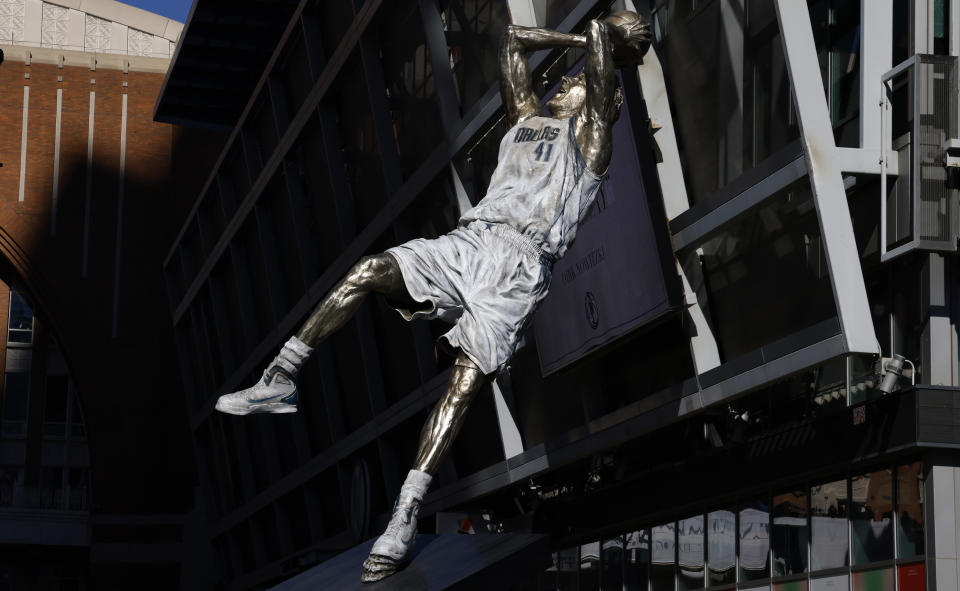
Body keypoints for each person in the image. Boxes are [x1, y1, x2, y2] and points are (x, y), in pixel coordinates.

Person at [214, 10, 650, 583]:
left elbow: (597, 44)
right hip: (472, 240)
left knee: (464, 385)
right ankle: (282, 376)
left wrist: (618, 37)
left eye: (579, 82)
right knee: (370, 270)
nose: (567, 81)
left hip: (518, 267)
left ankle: (406, 512)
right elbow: (514, 39)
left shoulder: (592, 141)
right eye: (566, 79)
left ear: (601, 99)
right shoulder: (526, 120)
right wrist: (580, 38)